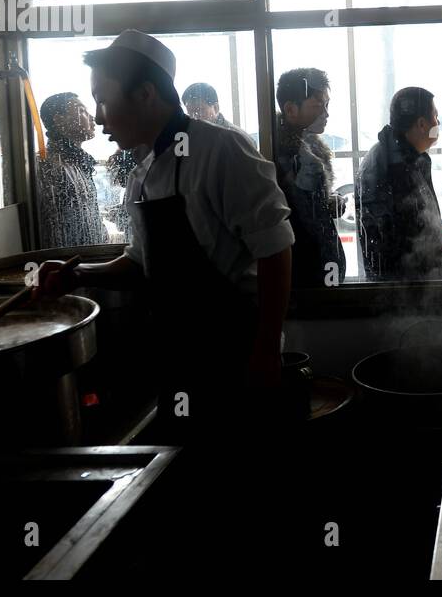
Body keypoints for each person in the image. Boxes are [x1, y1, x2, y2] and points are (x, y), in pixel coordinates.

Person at [35, 29, 294, 445]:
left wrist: (265, 352)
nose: (99, 117)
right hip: (179, 355)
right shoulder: (141, 173)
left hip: (235, 354)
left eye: (102, 99)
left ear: (145, 94)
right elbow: (141, 261)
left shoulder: (222, 150)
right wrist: (79, 275)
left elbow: (276, 250)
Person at [357, 86, 442, 281]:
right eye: (435, 116)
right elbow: (382, 239)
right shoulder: (387, 164)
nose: (438, 122)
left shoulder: (411, 158)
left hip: (423, 286)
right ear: (422, 124)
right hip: (406, 292)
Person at [275, 67, 345, 287]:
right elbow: (305, 218)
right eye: (319, 105)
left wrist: (328, 202)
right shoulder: (289, 155)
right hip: (306, 273)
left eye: (327, 105)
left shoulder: (308, 147)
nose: (326, 113)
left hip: (316, 268)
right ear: (290, 109)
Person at [36, 92, 107, 249]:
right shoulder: (49, 166)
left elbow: (90, 216)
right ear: (59, 119)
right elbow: (54, 227)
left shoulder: (78, 162)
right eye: (82, 111)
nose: (92, 117)